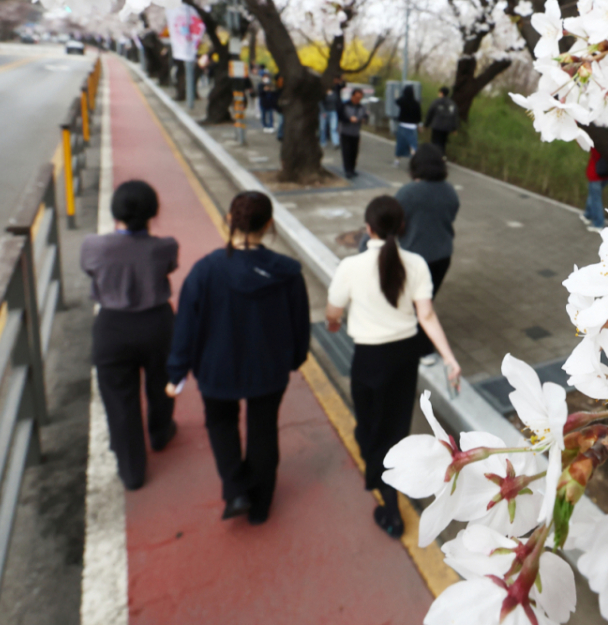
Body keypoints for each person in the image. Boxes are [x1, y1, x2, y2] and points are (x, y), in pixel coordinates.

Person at [166, 192, 310, 525]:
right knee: (263, 430)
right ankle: (261, 505)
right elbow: (299, 322)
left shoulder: (204, 272)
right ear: (269, 225)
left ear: (230, 220)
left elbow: (185, 327)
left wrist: (177, 372)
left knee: (220, 424)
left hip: (217, 368)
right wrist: (294, 358)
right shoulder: (287, 273)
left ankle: (236, 490)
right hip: (268, 367)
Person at [326, 196, 461, 538]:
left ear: (367, 228)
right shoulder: (416, 264)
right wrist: (449, 357)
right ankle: (387, 471)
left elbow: (333, 312)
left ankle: (390, 505)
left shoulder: (350, 267)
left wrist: (333, 325)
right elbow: (426, 315)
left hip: (368, 358)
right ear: (403, 227)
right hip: (404, 357)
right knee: (395, 426)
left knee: (370, 422)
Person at [80, 181, 179, 491]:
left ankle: (132, 470)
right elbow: (169, 268)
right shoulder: (166, 246)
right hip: (157, 325)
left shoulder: (93, 246)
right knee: (161, 383)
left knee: (120, 402)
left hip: (113, 328)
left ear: (115, 212)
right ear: (153, 212)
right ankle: (161, 432)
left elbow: (90, 271)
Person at [392, 143, 459, 297]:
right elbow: (451, 216)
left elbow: (392, 222)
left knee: (409, 303)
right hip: (443, 257)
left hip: (414, 258)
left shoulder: (408, 193)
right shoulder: (450, 191)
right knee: (427, 298)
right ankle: (424, 319)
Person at [583, 148, 608, 233]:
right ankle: (588, 215)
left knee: (595, 199)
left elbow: (584, 144)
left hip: (596, 175)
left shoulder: (596, 144)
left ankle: (598, 224)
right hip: (606, 175)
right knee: (593, 196)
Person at [339, 88, 367, 178]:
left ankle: (352, 169)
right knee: (346, 151)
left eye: (360, 98)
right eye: (357, 97)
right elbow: (340, 117)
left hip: (355, 133)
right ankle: (347, 170)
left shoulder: (362, 107)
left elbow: (365, 117)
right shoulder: (344, 105)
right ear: (352, 96)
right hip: (345, 132)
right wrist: (349, 119)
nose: (358, 99)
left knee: (354, 152)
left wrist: (363, 119)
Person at [423, 86, 460, 152]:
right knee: (442, 143)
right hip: (447, 127)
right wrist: (454, 129)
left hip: (437, 125)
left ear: (441, 93)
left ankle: (434, 156)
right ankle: (441, 156)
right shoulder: (452, 103)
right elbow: (455, 116)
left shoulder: (436, 102)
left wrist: (426, 125)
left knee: (434, 142)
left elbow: (430, 113)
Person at [393, 84, 421, 168]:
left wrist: (398, 94)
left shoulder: (402, 101)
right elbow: (419, 116)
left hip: (402, 126)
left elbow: (396, 101)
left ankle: (397, 161)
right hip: (412, 127)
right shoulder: (416, 103)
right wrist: (419, 125)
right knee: (413, 144)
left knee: (400, 144)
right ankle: (414, 162)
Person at [320, 79, 344, 148]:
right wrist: (323, 111)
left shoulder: (334, 94)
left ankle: (336, 143)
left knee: (333, 128)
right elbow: (320, 103)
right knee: (322, 128)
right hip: (324, 112)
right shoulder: (323, 94)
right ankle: (323, 142)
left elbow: (337, 103)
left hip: (333, 112)